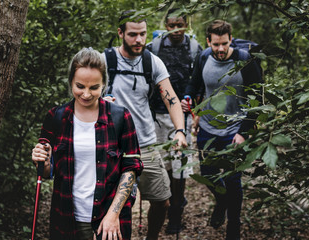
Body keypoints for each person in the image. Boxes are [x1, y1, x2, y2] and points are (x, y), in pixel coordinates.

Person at [31, 48, 143, 240]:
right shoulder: (55, 117)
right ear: (70, 83)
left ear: (104, 85)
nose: (86, 94)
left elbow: (131, 169)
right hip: (66, 218)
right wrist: (42, 160)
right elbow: (48, 172)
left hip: (109, 219)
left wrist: (113, 214)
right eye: (80, 86)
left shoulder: (120, 117)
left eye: (94, 87)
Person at [103, 10, 187, 240]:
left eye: (142, 34)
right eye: (132, 34)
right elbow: (83, 96)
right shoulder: (105, 61)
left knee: (162, 202)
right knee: (116, 205)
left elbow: (172, 99)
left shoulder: (152, 61)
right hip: (112, 146)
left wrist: (179, 131)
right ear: (120, 33)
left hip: (145, 145)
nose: (139, 40)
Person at [182, 20, 263, 240]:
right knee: (208, 175)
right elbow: (194, 83)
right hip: (208, 126)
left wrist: (244, 132)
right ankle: (221, 202)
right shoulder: (203, 57)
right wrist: (188, 97)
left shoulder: (245, 60)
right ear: (208, 41)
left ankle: (233, 228)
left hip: (234, 128)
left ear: (230, 40)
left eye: (224, 44)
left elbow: (259, 98)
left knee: (233, 180)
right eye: (216, 44)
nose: (220, 49)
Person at [146, 8, 203, 234]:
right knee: (165, 165)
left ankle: (176, 214)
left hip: (184, 117)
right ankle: (168, 204)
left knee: (181, 167)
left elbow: (200, 81)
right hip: (158, 115)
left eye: (180, 24)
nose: (176, 30)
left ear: (186, 24)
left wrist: (195, 109)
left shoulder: (195, 49)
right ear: (166, 25)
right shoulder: (154, 48)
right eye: (171, 25)